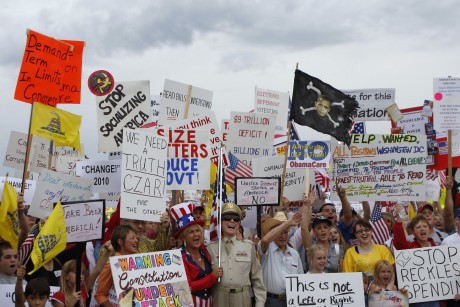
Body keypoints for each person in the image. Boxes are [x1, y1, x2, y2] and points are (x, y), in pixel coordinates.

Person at [207, 203, 266, 307]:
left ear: (239, 224)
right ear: (220, 222)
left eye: (236, 218)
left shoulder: (249, 247)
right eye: (227, 217)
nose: (232, 221)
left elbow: (257, 278)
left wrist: (260, 303)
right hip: (219, 298)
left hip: (242, 299)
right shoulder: (211, 248)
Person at [170, 202, 222, 306]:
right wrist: (213, 277)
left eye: (198, 230)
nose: (196, 234)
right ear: (184, 237)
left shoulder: (204, 250)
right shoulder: (178, 257)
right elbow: (188, 286)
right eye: (191, 232)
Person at [259, 211, 303, 306]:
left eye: (286, 232)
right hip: (271, 300)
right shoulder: (266, 249)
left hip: (291, 300)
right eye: (279, 232)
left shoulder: (294, 253)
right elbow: (265, 240)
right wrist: (287, 223)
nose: (283, 236)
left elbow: (300, 277)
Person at [94, 224, 138, 306]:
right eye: (132, 238)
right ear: (120, 242)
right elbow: (100, 295)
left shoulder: (138, 262)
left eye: (136, 238)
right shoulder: (113, 265)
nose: (136, 240)